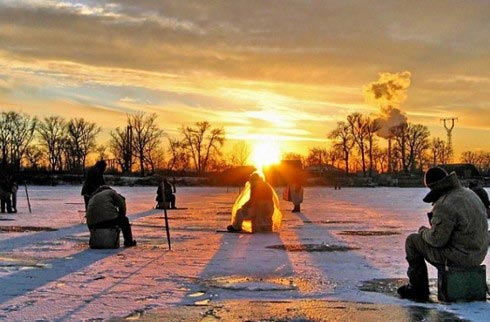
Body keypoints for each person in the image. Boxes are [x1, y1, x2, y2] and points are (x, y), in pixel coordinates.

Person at [397, 167, 489, 301]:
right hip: (478, 254)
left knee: (412, 241)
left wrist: (423, 231)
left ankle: (417, 289)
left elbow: (436, 240)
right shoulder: (470, 194)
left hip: (460, 258)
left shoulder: (445, 203)